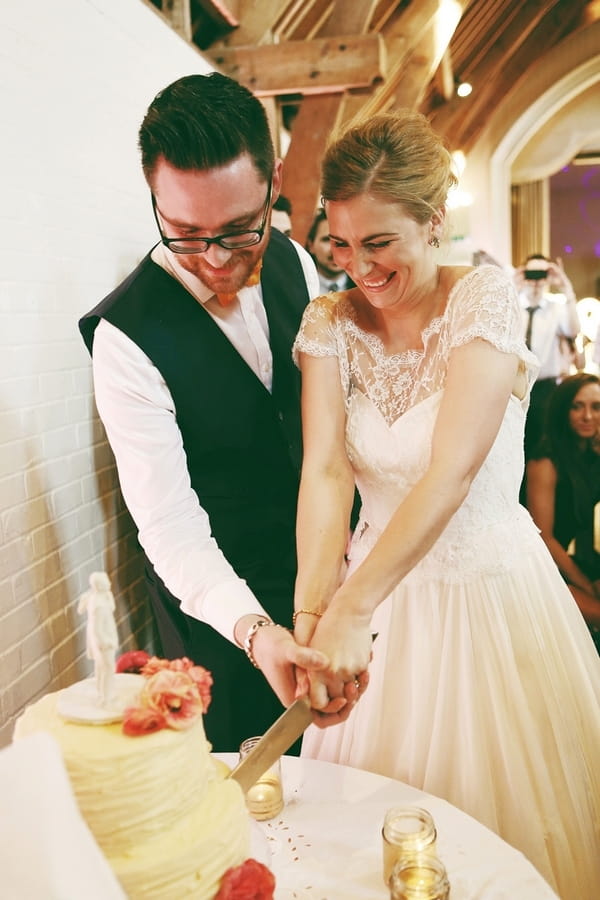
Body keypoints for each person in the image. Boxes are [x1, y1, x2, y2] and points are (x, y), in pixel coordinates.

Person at [291, 111, 600, 897]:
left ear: (433, 224)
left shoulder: (484, 301)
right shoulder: (329, 322)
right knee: (363, 843)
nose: (357, 265)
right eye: (340, 243)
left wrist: (353, 608)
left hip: (489, 598)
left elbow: (452, 471)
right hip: (373, 612)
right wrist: (310, 618)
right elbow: (326, 470)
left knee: (503, 829)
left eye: (379, 242)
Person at [79, 73, 363, 751]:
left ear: (275, 183)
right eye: (185, 232)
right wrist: (257, 632)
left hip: (337, 589)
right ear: (154, 197)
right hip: (223, 624)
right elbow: (170, 528)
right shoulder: (124, 339)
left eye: (241, 230)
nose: (214, 259)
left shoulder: (295, 263)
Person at [526, 372, 600, 651]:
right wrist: (585, 584)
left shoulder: (591, 456)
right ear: (563, 410)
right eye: (577, 406)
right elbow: (544, 539)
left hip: (583, 560)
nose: (587, 416)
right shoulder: (546, 460)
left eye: (596, 407)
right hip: (548, 567)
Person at [514, 253, 581, 468]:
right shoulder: (513, 303)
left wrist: (566, 287)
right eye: (532, 273)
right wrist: (512, 286)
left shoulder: (556, 307)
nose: (536, 280)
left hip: (546, 388)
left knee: (542, 446)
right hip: (514, 388)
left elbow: (573, 330)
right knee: (514, 443)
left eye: (542, 274)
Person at [77, 571, 119, 705]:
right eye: (106, 581)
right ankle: (106, 696)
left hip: (102, 637)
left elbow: (112, 608)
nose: (109, 583)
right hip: (103, 641)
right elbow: (97, 627)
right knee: (107, 667)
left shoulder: (101, 597)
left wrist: (109, 595)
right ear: (99, 585)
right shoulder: (98, 605)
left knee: (101, 667)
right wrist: (105, 641)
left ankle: (102, 692)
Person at [306, 208, 354, 294]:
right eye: (326, 240)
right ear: (311, 245)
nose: (335, 250)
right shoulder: (297, 286)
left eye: (343, 242)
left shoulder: (367, 292)